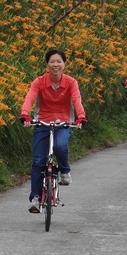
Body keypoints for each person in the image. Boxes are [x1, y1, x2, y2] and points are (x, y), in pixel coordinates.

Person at [19, 48, 87, 214]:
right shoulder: (39, 82)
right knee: (38, 161)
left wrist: (81, 116)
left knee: (60, 146)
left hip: (63, 122)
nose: (55, 64)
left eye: (59, 61)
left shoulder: (71, 82)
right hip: (42, 122)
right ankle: (35, 198)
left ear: (64, 64)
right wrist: (25, 114)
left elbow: (77, 100)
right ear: (47, 64)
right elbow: (30, 97)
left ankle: (64, 170)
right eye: (52, 61)